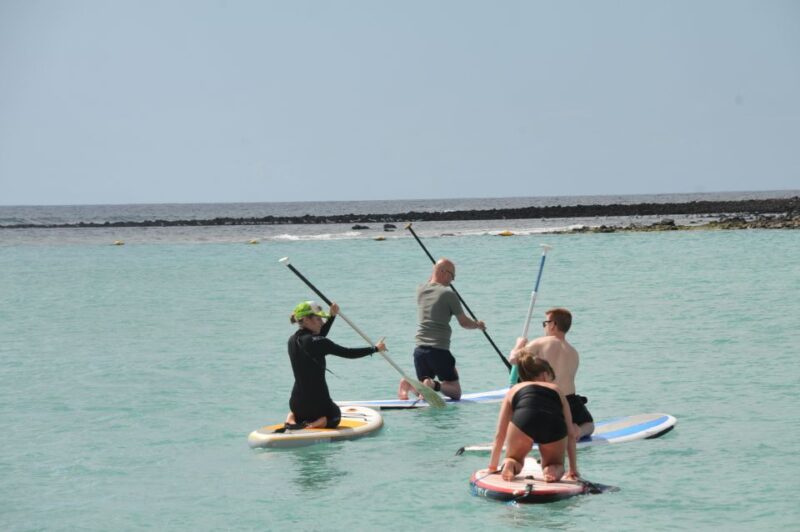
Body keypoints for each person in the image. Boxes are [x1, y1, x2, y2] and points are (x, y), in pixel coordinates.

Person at [285, 300, 386, 430]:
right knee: (335, 415)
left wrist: (332, 316)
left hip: (296, 405)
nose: (322, 323)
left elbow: (315, 339)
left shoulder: (292, 340)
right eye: (318, 319)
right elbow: (348, 353)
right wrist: (375, 349)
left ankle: (292, 417)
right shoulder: (318, 342)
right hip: (317, 405)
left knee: (301, 412)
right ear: (306, 320)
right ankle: (321, 421)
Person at [397, 258, 485, 401]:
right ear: (443, 272)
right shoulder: (448, 294)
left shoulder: (420, 290)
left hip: (420, 351)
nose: (453, 280)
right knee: (455, 392)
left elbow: (431, 279)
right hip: (439, 350)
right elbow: (464, 323)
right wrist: (477, 325)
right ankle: (433, 384)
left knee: (424, 393)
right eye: (452, 275)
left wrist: (436, 271)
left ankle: (408, 384)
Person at [488, 353, 579, 482]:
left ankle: (510, 464)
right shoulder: (556, 390)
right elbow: (570, 433)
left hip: (524, 421)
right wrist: (573, 469)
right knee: (556, 463)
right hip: (552, 425)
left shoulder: (514, 389)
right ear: (545, 375)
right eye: (551, 378)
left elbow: (500, 434)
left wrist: (492, 467)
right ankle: (552, 469)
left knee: (514, 458)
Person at [509, 308, 595, 438]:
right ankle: (578, 431)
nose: (544, 327)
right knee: (589, 425)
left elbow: (513, 359)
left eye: (545, 323)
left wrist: (518, 344)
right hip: (570, 401)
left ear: (553, 324)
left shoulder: (541, 342)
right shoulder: (573, 352)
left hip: (548, 399)